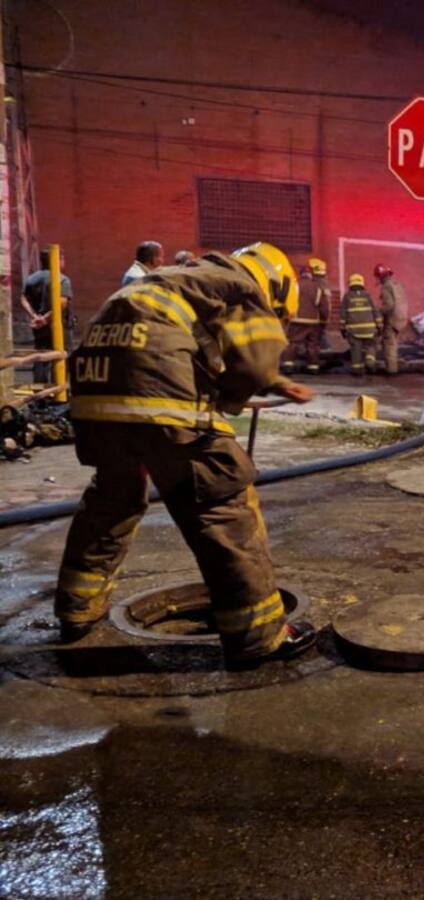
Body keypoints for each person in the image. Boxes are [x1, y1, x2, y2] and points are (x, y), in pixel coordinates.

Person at [55, 242, 319, 669]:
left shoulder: (173, 281)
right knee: (221, 503)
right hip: (156, 393)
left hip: (94, 395)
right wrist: (252, 389)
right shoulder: (242, 288)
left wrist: (271, 385)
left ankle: (76, 609)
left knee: (113, 498)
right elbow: (252, 366)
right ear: (277, 285)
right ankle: (260, 636)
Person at [20, 248, 75, 383]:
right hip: (60, 327)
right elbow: (62, 303)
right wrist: (46, 318)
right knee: (60, 358)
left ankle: (39, 395)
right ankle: (58, 394)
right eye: (62, 258)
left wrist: (35, 317)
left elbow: (23, 298)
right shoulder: (62, 280)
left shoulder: (32, 278)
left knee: (40, 358)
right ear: (57, 260)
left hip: (39, 327)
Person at [281, 262, 330, 375]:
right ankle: (313, 368)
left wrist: (286, 317)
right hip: (313, 321)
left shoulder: (294, 286)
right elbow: (324, 307)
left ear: (300, 274)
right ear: (311, 275)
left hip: (296, 320)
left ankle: (288, 366)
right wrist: (324, 320)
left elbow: (286, 302)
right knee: (313, 345)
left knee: (293, 343)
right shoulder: (317, 288)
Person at [340, 273, 379, 375]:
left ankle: (357, 370)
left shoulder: (347, 297)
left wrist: (342, 328)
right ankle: (370, 360)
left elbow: (343, 314)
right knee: (371, 346)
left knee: (356, 349)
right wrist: (379, 325)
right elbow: (375, 311)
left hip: (354, 330)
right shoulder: (368, 295)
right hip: (369, 329)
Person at [373, 264, 405, 374]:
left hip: (392, 319)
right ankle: (393, 366)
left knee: (389, 344)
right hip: (401, 318)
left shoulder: (386, 287)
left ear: (381, 276)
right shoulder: (397, 284)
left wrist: (378, 311)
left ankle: (391, 371)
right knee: (394, 343)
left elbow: (389, 305)